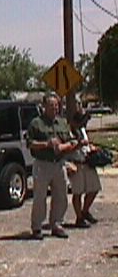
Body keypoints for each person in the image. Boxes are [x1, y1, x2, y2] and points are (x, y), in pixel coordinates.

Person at [27, 93, 80, 239]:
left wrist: (73, 145)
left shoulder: (62, 123)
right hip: (42, 165)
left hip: (59, 164)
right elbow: (30, 144)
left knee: (61, 196)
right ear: (44, 106)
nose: (55, 108)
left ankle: (56, 224)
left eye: (56, 105)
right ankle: (37, 227)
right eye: (51, 105)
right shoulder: (36, 123)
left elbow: (69, 140)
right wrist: (46, 144)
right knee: (40, 197)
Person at [67, 103, 102, 227]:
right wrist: (79, 144)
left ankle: (85, 211)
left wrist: (91, 148)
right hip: (76, 164)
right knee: (78, 192)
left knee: (94, 189)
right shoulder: (68, 132)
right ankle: (79, 218)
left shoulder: (82, 130)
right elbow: (67, 149)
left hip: (87, 162)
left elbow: (86, 145)